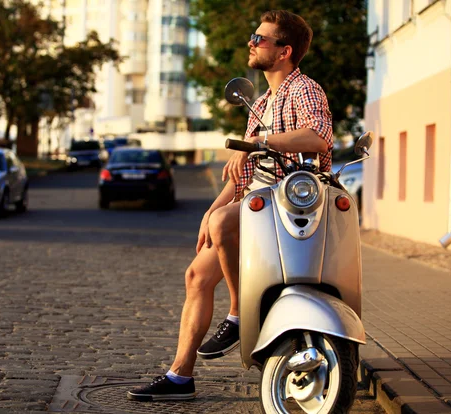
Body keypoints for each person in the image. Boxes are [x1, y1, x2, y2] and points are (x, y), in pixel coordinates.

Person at [127, 10, 333, 402]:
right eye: (253, 37)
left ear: (285, 51)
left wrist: (261, 144)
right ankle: (180, 377)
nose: (251, 43)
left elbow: (318, 137)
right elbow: (242, 175)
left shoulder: (304, 89)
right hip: (253, 200)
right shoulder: (263, 103)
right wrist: (210, 207)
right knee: (196, 275)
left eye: (261, 39)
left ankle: (239, 314)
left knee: (223, 222)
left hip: (286, 204)